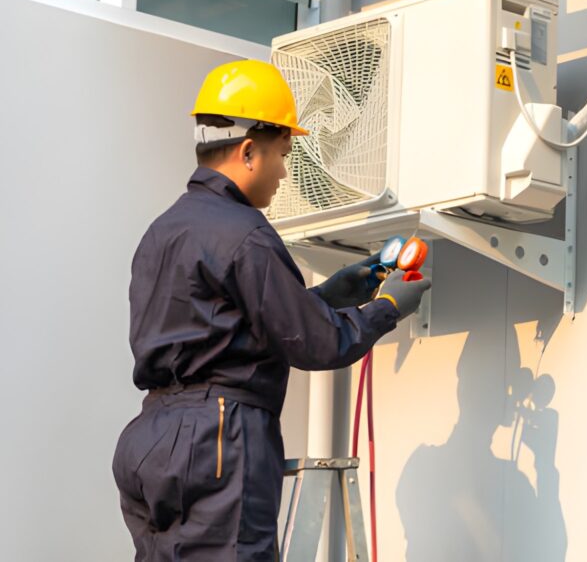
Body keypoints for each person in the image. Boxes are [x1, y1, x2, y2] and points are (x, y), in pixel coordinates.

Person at [111, 59, 430, 560]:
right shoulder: (246, 233)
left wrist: (328, 295)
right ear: (247, 151)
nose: (283, 172)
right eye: (282, 154)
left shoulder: (162, 231)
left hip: (151, 439)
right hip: (218, 436)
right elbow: (319, 343)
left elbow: (225, 330)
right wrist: (388, 306)